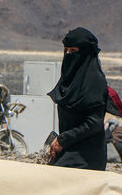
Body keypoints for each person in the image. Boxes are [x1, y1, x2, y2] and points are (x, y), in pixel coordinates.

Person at [47, 27, 109, 170]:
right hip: (68, 151)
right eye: (67, 51)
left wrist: (63, 139)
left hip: (86, 157)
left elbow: (94, 123)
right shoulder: (69, 83)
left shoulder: (94, 82)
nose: (69, 55)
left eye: (73, 51)